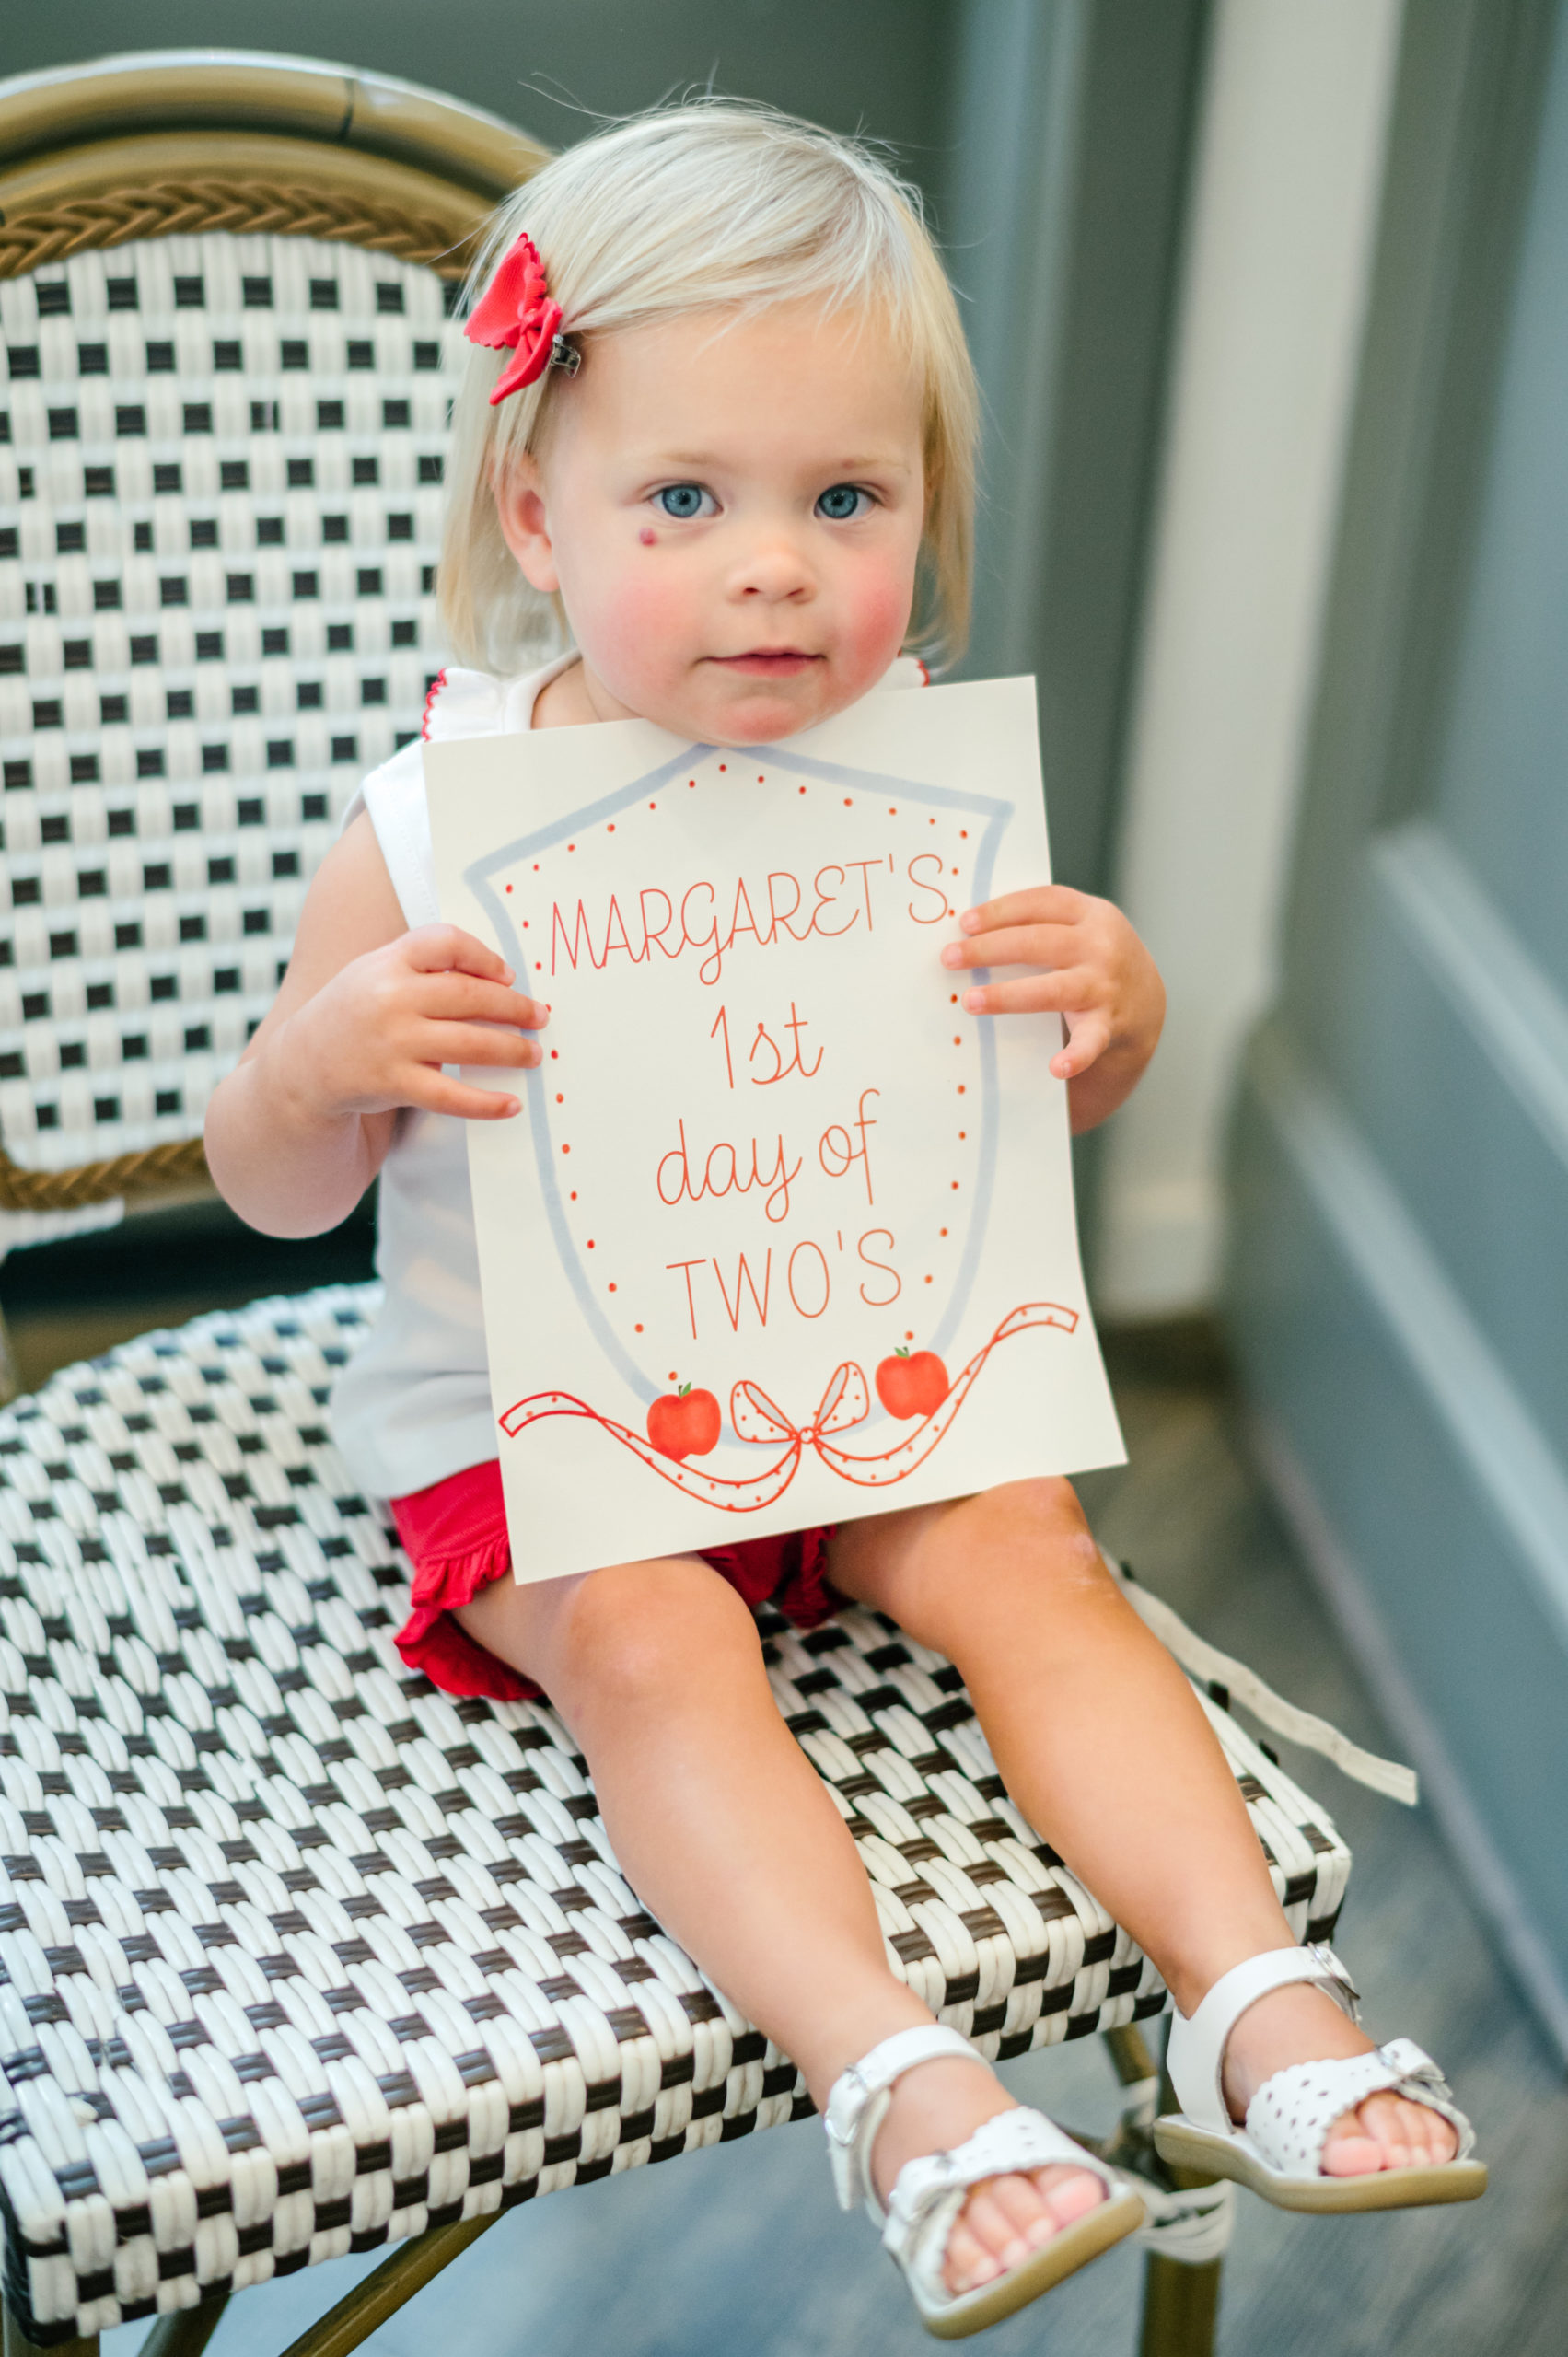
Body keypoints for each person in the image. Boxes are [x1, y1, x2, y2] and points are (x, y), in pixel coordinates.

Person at [205, 102, 1482, 2340]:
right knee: (648, 1637)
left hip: (853, 1384)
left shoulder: (912, 786)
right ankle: (896, 2076)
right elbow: (269, 1179)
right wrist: (324, 1061)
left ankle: (1251, 1991)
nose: (773, 564)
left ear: (925, 516)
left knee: (1034, 1549)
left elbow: (1021, 1111)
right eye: (684, 500)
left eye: (845, 499)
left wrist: (1114, 1008)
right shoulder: (435, 824)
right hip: (545, 1433)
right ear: (537, 507)